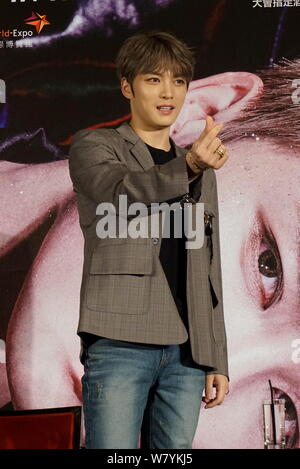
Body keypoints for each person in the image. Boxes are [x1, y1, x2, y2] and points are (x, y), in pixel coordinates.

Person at [68, 30, 230, 449]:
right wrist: (190, 165)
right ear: (128, 86)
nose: (168, 92)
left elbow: (207, 266)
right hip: (119, 341)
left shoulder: (197, 168)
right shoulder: (96, 145)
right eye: (154, 79)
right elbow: (120, 194)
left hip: (187, 354)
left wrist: (215, 359)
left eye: (178, 81)